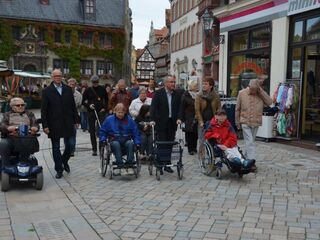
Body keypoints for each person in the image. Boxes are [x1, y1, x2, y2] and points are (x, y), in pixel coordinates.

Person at [41, 69, 78, 179]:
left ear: (62, 77)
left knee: (71, 144)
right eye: (56, 76)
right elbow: (44, 110)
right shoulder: (47, 91)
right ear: (52, 77)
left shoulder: (67, 89)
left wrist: (76, 120)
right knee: (56, 147)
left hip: (68, 122)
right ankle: (59, 169)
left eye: (59, 76)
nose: (58, 77)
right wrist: (45, 125)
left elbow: (73, 106)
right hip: (54, 123)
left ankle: (64, 160)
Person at [150, 75, 181, 174]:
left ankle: (167, 164)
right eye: (171, 82)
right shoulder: (159, 93)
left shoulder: (176, 94)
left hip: (172, 122)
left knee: (170, 144)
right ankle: (160, 164)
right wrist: (152, 119)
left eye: (174, 82)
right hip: (161, 122)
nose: (173, 84)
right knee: (161, 144)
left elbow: (180, 108)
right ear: (166, 83)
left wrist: (179, 118)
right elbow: (153, 108)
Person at [235, 78, 272, 161]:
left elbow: (270, 102)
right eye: (251, 89)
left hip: (256, 121)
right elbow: (237, 108)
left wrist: (261, 92)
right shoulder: (241, 93)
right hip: (245, 121)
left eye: (255, 89)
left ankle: (245, 157)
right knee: (250, 142)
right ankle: (252, 162)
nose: (253, 91)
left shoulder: (260, 94)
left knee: (250, 142)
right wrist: (237, 121)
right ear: (248, 86)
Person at [0, 97, 39, 168]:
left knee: (27, 140)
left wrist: (35, 128)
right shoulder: (7, 115)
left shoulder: (29, 114)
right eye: (18, 105)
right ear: (12, 107)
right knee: (3, 143)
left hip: (27, 137)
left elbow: (35, 123)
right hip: (11, 138)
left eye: (22, 105)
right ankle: (6, 166)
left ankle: (24, 162)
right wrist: (8, 128)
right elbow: (2, 125)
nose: (21, 106)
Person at [82, 75, 108, 156]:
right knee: (92, 131)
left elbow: (106, 99)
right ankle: (94, 149)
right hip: (91, 112)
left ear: (98, 82)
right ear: (91, 82)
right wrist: (89, 105)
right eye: (94, 82)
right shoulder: (88, 90)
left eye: (96, 82)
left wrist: (104, 108)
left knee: (101, 129)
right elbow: (83, 101)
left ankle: (101, 148)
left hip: (101, 112)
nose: (95, 84)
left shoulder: (102, 89)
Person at [195, 77, 221, 156]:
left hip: (213, 121)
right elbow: (197, 110)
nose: (203, 85)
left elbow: (219, 109)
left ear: (211, 86)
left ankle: (212, 157)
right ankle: (202, 157)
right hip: (202, 121)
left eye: (206, 84)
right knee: (202, 140)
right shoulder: (199, 96)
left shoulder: (216, 96)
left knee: (212, 140)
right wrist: (201, 122)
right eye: (203, 83)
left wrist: (218, 120)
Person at [177, 79, 198, 155]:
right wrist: (180, 118)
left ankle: (194, 148)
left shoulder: (198, 95)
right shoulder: (185, 95)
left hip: (196, 116)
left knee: (195, 133)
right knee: (189, 133)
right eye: (195, 86)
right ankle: (190, 149)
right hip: (188, 117)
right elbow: (181, 108)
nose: (197, 87)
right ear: (191, 86)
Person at [66, 78, 82, 157]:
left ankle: (72, 150)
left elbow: (79, 107)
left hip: (73, 117)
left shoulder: (78, 95)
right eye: (70, 84)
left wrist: (77, 120)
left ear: (75, 85)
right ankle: (67, 148)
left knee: (72, 134)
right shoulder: (63, 93)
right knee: (65, 135)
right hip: (64, 118)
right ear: (67, 84)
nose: (71, 86)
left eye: (73, 84)